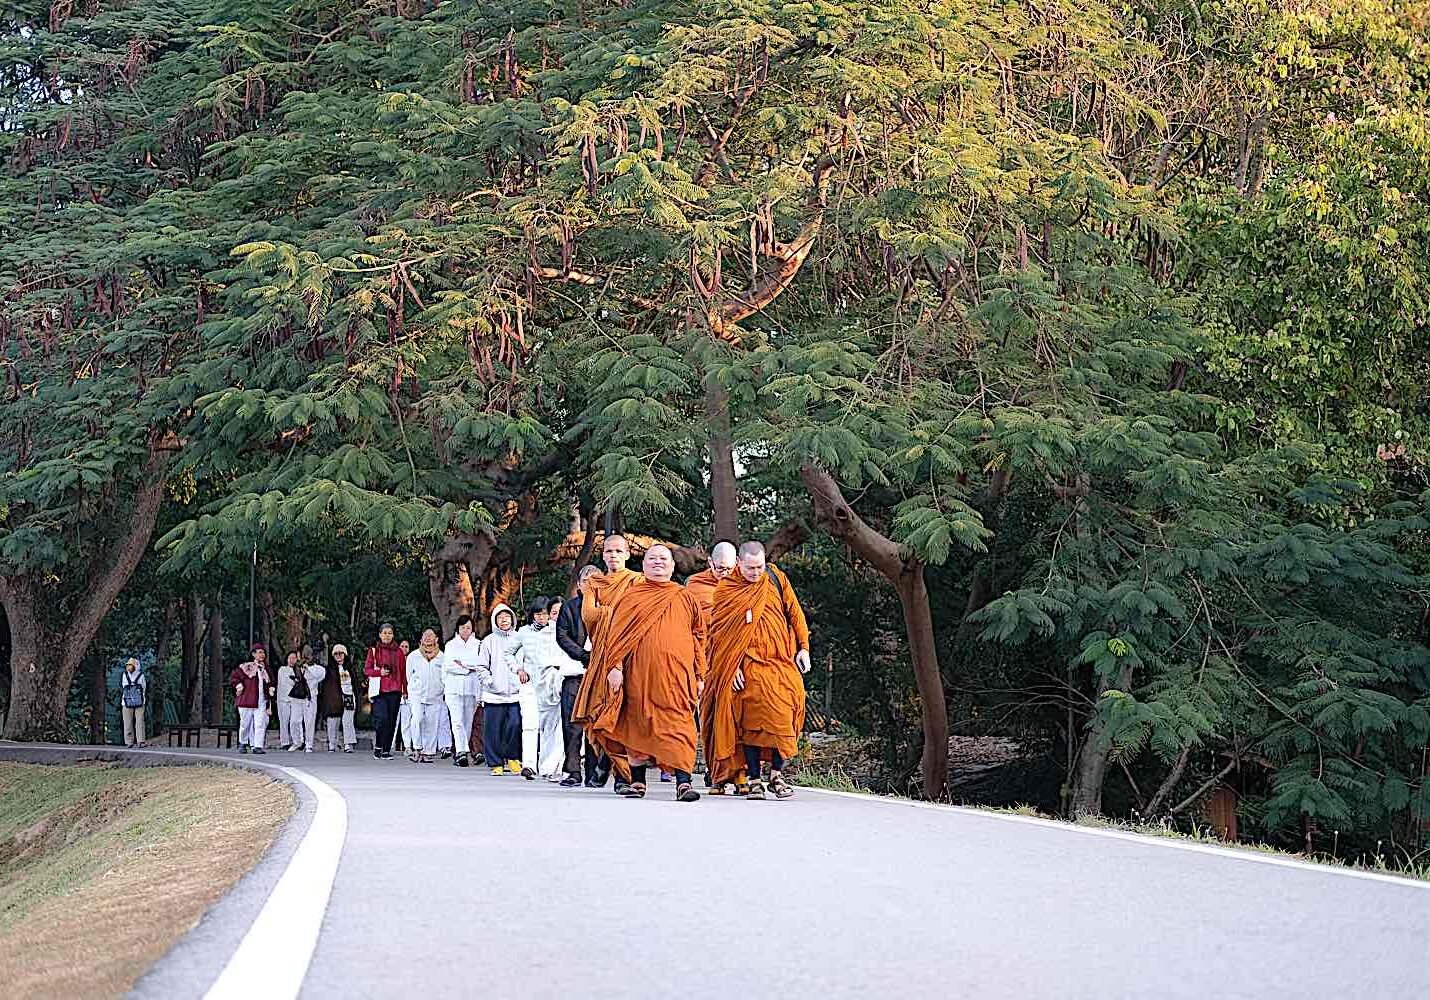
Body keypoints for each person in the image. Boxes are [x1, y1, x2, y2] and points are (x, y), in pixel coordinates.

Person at [578, 544, 706, 802]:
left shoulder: (685, 597)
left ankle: (683, 782)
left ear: (672, 565)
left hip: (677, 677)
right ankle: (637, 781)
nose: (658, 563)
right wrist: (614, 667)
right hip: (637, 674)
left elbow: (699, 636)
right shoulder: (631, 597)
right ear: (644, 565)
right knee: (637, 722)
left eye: (663, 559)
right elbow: (616, 635)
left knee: (679, 726)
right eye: (652, 559)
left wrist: (700, 674)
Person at [704, 540, 812, 799]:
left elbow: (794, 613)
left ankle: (776, 774)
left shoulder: (776, 578)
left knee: (785, 713)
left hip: (780, 660)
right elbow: (718, 635)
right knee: (750, 720)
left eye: (759, 567)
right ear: (739, 564)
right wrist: (732, 667)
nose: (755, 573)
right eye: (750, 568)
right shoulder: (726, 590)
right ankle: (754, 778)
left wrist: (804, 648)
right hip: (747, 664)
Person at [571, 534, 642, 790]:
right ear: (602, 555)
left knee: (623, 713)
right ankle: (606, 762)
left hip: (630, 654)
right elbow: (588, 614)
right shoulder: (594, 583)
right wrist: (619, 612)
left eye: (618, 551)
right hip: (603, 655)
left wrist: (608, 612)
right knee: (602, 710)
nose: (613, 555)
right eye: (609, 551)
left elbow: (640, 614)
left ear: (627, 555)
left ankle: (619, 774)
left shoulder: (637, 581)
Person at [511, 596, 571, 782]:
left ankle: (548, 766)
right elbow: (509, 652)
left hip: (551, 685)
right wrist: (518, 669)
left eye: (546, 614)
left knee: (550, 726)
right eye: (538, 614)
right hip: (529, 685)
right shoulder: (523, 632)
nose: (542, 618)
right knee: (530, 724)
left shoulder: (560, 632)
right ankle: (528, 764)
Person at [556, 565, 603, 787]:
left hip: (599, 674)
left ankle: (594, 772)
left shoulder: (606, 607)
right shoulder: (569, 607)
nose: (591, 585)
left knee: (595, 723)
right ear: (579, 585)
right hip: (575, 672)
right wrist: (583, 655)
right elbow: (562, 636)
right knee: (572, 723)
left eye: (597, 581)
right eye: (587, 581)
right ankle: (573, 771)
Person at [476, 603, 523, 775]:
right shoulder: (488, 641)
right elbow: (481, 667)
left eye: (507, 617)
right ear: (495, 620)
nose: (504, 620)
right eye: (500, 617)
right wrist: (490, 682)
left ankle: (512, 758)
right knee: (493, 730)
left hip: (516, 694)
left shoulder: (520, 638)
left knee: (515, 724)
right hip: (493, 694)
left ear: (512, 618)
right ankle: (495, 763)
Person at [443, 614, 484, 767]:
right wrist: (467, 669)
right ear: (458, 629)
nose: (465, 630)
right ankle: (460, 751)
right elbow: (449, 666)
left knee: (468, 721)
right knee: (456, 720)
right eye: (462, 628)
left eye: (468, 627)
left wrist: (463, 663)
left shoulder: (479, 645)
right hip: (454, 688)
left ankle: (464, 749)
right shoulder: (451, 645)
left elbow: (480, 665)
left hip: (472, 689)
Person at [407, 629, 451, 763]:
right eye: (425, 635)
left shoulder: (442, 657)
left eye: (431, 636)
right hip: (417, 695)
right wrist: (414, 689)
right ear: (421, 639)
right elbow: (409, 676)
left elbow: (445, 677)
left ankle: (428, 752)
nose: (427, 638)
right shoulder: (413, 656)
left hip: (435, 696)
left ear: (436, 639)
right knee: (417, 719)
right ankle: (417, 748)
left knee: (432, 724)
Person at [363, 623, 407, 759]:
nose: (387, 635)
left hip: (395, 690)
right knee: (382, 719)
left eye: (389, 633)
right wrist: (379, 672)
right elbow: (367, 670)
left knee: (392, 720)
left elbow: (403, 672)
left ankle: (386, 749)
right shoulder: (374, 650)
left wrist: (405, 690)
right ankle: (378, 745)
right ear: (380, 635)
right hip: (380, 690)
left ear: (393, 635)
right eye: (384, 633)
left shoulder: (399, 652)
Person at [230, 643, 275, 754]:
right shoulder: (246, 666)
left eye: (263, 652)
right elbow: (234, 677)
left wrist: (271, 688)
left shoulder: (266, 669)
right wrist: (238, 685)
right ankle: (243, 743)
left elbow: (271, 681)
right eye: (259, 652)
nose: (262, 654)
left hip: (261, 701)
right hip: (247, 701)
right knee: (245, 724)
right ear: (253, 654)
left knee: (260, 723)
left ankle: (257, 746)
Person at [684, 540, 737, 618]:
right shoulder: (696, 583)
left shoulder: (744, 582)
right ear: (710, 562)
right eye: (720, 568)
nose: (725, 573)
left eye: (729, 569)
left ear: (736, 563)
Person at [320, 644, 358, 753]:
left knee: (348, 721)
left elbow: (355, 684)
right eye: (336, 654)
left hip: (349, 696)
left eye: (341, 653)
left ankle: (347, 744)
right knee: (332, 721)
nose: (339, 656)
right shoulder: (329, 669)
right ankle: (332, 744)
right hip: (335, 698)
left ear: (345, 654)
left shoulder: (350, 668)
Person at [288, 646, 325, 753]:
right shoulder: (296, 667)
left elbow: (320, 676)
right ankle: (297, 742)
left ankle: (309, 744)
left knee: (309, 721)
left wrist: (308, 667)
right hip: (297, 696)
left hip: (310, 698)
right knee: (294, 721)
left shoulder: (317, 668)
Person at [276, 651, 303, 751]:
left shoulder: (299, 670)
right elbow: (286, 683)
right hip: (284, 700)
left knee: (297, 721)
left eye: (294, 658)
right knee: (284, 721)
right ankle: (285, 742)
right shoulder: (282, 670)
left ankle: (299, 741)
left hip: (296, 700)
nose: (292, 660)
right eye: (290, 658)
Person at [119, 657, 147, 747]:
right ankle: (140, 740)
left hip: (126, 701)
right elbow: (143, 687)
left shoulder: (124, 675)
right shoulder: (141, 676)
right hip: (139, 700)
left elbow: (124, 686)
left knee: (127, 721)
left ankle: (129, 741)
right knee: (139, 720)